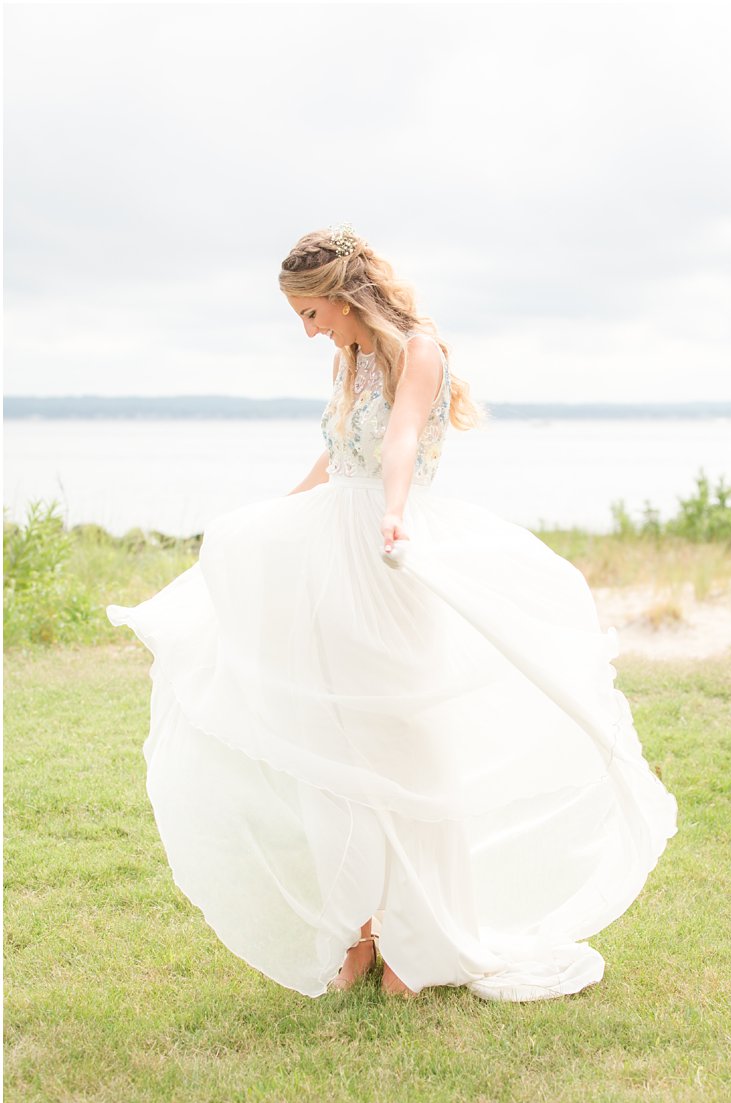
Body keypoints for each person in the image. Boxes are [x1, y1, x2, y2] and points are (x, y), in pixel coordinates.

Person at [107, 225, 677, 1001]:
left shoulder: (420, 350)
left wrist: (395, 515)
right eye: (301, 318)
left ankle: (422, 937)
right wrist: (274, 517)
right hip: (328, 561)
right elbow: (338, 457)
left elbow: (401, 439)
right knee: (338, 748)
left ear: (344, 298)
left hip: (387, 554)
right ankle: (360, 932)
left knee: (404, 749)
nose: (309, 332)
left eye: (313, 314)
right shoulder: (347, 359)